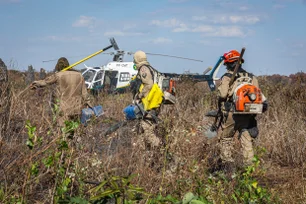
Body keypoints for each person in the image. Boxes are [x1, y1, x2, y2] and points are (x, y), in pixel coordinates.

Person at [217, 50, 268, 170]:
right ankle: (249, 166)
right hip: (247, 112)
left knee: (226, 138)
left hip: (231, 113)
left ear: (229, 64)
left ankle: (227, 165)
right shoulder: (252, 77)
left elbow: (223, 95)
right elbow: (258, 95)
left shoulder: (227, 77)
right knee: (245, 135)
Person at [30, 57, 92, 127]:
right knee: (74, 130)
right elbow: (85, 93)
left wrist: (34, 84)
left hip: (63, 109)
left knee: (64, 132)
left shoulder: (58, 75)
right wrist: (89, 105)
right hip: (77, 109)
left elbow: (45, 82)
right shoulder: (79, 75)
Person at [133, 50, 161, 149]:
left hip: (149, 105)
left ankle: (162, 150)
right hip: (150, 105)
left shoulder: (143, 69)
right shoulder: (148, 68)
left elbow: (149, 84)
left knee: (148, 131)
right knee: (140, 130)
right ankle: (143, 153)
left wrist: (140, 96)